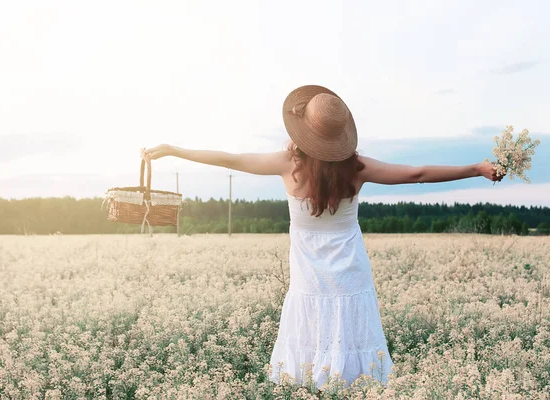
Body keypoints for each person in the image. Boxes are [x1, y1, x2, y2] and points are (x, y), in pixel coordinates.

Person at [141, 84, 504, 391]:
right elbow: (418, 173)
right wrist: (476, 168)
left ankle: (312, 389)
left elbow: (230, 159)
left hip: (309, 275)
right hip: (350, 271)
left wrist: (174, 149)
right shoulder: (358, 168)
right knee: (351, 338)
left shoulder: (289, 166)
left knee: (311, 337)